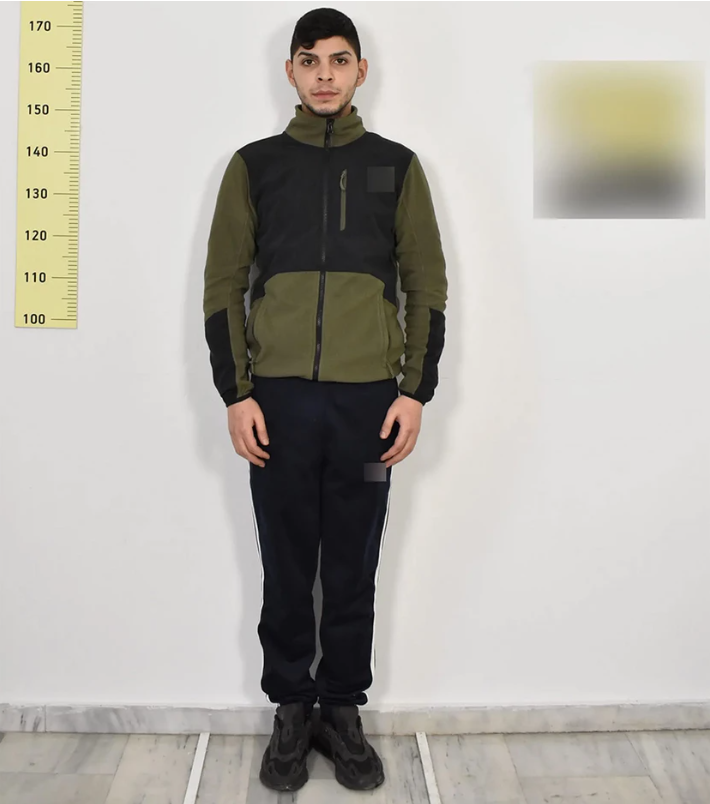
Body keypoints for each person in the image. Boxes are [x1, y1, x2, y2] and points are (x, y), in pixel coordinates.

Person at [202, 6, 447, 794]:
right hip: (276, 404)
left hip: (369, 406)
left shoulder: (396, 167)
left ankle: (341, 709)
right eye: (310, 61)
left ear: (361, 70)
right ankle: (291, 707)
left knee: (352, 564)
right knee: (285, 565)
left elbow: (427, 284)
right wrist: (237, 393)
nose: (325, 75)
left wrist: (414, 391)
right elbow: (222, 285)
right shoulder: (255, 166)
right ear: (291, 72)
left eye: (339, 60)